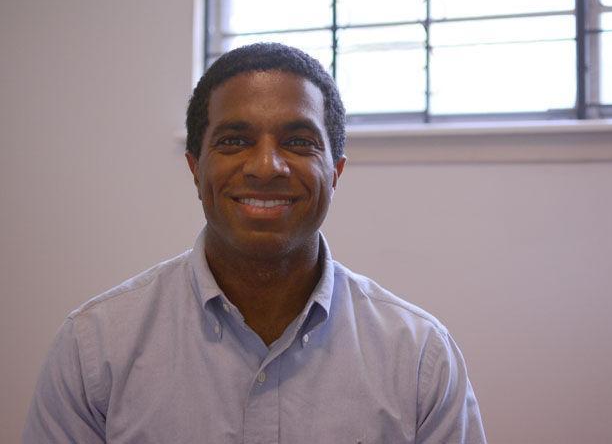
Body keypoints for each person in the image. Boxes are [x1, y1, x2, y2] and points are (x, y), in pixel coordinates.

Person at [23, 43, 487, 443]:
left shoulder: (420, 356)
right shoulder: (95, 349)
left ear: (335, 172)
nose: (266, 167)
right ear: (195, 169)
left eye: (299, 142)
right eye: (235, 140)